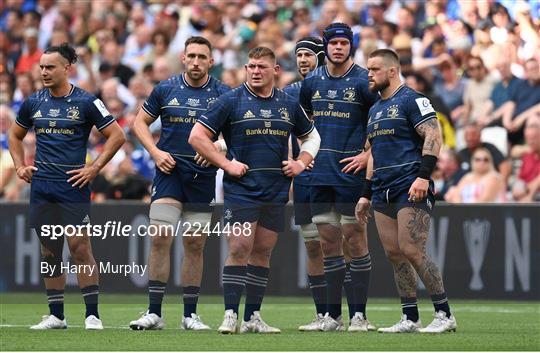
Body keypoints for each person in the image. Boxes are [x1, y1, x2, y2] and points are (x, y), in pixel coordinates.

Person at [189, 46, 320, 334]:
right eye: (251, 66)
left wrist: (301, 164)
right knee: (239, 247)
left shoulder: (287, 103)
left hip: (276, 189)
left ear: (276, 70)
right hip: (242, 188)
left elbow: (311, 136)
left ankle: (253, 318)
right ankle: (230, 314)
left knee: (262, 251)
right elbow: (197, 137)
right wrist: (226, 164)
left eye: (261, 66)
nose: (255, 71)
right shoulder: (231, 100)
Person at [8, 43, 125, 330]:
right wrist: (20, 165)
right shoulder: (34, 101)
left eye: (50, 67)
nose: (44, 72)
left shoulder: (86, 101)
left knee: (80, 247)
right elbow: (14, 135)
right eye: (42, 67)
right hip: (42, 185)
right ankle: (56, 315)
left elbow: (117, 135)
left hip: (72, 185)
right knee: (49, 251)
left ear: (66, 68)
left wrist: (94, 168)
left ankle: (92, 315)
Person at [129, 36, 230, 331]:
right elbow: (138, 123)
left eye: (202, 57)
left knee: (195, 243)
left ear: (211, 62)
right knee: (160, 235)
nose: (196, 62)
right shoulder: (166, 89)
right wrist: (156, 152)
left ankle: (190, 315)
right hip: (169, 172)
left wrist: (219, 149)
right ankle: (154, 312)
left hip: (202, 177)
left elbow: (237, 135)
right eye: (192, 56)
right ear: (183, 59)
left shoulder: (224, 94)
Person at [357, 48, 457, 333]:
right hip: (382, 189)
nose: (370, 74)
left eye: (375, 69)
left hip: (410, 186)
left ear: (392, 71)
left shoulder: (414, 99)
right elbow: (373, 153)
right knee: (394, 254)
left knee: (413, 249)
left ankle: (444, 313)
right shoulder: (375, 110)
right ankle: (410, 317)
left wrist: (423, 176)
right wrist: (365, 193)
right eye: (368, 69)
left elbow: (433, 135)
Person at [298, 22, 378, 332]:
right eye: (334, 43)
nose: (339, 48)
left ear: (350, 46)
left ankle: (359, 315)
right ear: (326, 46)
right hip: (319, 175)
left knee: (355, 240)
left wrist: (368, 154)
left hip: (349, 173)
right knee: (328, 243)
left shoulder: (363, 81)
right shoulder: (311, 81)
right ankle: (332, 317)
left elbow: (381, 117)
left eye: (344, 43)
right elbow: (302, 122)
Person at [283, 36, 328, 332]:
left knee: (343, 244)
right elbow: (285, 136)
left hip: (334, 175)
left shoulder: (336, 90)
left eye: (308, 55)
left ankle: (355, 313)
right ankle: (323, 314)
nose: (302, 60)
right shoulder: (288, 93)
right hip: (303, 177)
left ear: (320, 57)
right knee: (313, 246)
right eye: (299, 54)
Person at [512, 116, 540, 202]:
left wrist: (528, 191)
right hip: (524, 194)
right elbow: (520, 178)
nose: (531, 141)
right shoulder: (527, 155)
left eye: (534, 138)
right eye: (528, 139)